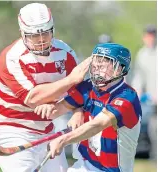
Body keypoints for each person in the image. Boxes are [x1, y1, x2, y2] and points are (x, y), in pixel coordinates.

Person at [0, 3, 91, 172]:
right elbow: (33, 98)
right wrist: (70, 79)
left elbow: (78, 92)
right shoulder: (11, 58)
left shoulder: (65, 53)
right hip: (12, 128)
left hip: (47, 130)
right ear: (22, 33)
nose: (41, 39)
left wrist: (77, 112)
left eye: (45, 33)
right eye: (33, 36)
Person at [35, 43, 142, 172]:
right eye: (96, 62)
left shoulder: (127, 97)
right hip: (84, 164)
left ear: (120, 68)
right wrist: (49, 106)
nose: (97, 68)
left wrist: (63, 140)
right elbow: (57, 110)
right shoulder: (88, 87)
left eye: (104, 64)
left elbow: (97, 125)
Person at [131, 24, 157, 160]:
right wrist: (137, 93)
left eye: (153, 36)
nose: (150, 39)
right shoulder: (142, 54)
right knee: (154, 129)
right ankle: (155, 157)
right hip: (152, 101)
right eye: (148, 36)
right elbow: (139, 77)